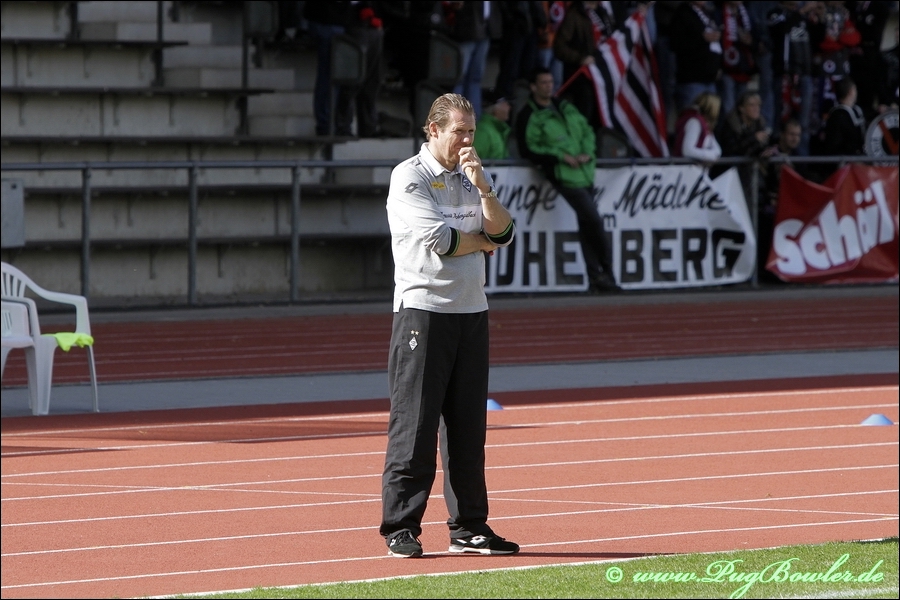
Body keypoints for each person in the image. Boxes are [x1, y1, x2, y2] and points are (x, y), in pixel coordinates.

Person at [380, 93, 518, 558]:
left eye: (471, 132)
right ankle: (401, 526)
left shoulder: (472, 175)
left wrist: (485, 191)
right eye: (459, 131)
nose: (467, 141)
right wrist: (482, 241)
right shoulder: (410, 176)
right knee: (415, 425)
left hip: (471, 311)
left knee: (468, 429)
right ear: (434, 129)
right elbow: (441, 240)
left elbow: (505, 232)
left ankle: (470, 527)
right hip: (423, 312)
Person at [515, 66, 619, 292]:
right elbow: (529, 149)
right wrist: (560, 157)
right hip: (562, 175)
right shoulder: (529, 115)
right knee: (594, 221)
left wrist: (587, 152)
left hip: (585, 173)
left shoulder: (565, 106)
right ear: (533, 87)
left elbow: (587, 131)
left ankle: (596, 278)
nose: (548, 86)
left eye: (550, 82)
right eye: (543, 83)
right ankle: (607, 270)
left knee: (587, 223)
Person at [669, 1, 723, 114]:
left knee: (709, 119)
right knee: (691, 117)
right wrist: (702, 38)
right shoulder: (683, 13)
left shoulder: (708, 13)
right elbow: (676, 44)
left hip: (710, 79)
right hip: (692, 80)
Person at [715, 90, 772, 196]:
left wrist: (765, 152)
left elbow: (757, 148)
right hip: (727, 172)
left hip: (748, 173)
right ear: (741, 108)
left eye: (758, 105)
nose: (756, 109)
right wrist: (753, 138)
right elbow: (731, 149)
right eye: (752, 105)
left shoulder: (759, 123)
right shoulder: (731, 124)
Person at [672, 91, 722, 168]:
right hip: (686, 170)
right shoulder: (695, 122)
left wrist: (712, 155)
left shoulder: (705, 124)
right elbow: (688, 151)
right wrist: (709, 156)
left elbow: (717, 151)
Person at [473, 91, 513, 159]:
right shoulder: (483, 132)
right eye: (506, 103)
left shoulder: (498, 130)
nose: (509, 107)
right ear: (496, 109)